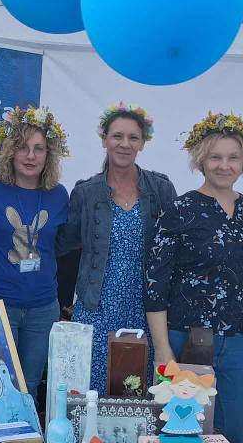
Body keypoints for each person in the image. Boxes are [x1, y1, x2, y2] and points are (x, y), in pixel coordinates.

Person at [145, 112, 243, 443]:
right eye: (215, 157)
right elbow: (155, 284)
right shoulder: (180, 209)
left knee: (231, 437)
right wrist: (162, 350)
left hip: (238, 341)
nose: (224, 165)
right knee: (179, 434)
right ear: (201, 159)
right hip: (186, 339)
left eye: (233, 158)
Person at [56, 103, 177, 394]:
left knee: (139, 391)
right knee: (93, 391)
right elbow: (63, 247)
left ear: (143, 143)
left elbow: (175, 249)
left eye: (133, 137)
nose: (125, 144)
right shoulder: (86, 192)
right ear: (104, 140)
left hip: (146, 311)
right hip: (96, 308)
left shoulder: (161, 189)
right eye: (117, 136)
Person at [0, 106, 70, 392]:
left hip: (43, 308)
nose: (31, 156)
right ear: (9, 151)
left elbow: (61, 245)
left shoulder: (59, 195)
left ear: (49, 155)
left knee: (29, 385)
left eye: (39, 149)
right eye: (23, 148)